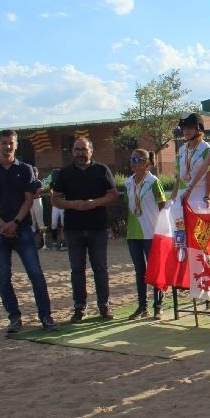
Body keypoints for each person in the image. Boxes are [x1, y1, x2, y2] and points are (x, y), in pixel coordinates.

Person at [0, 130, 57, 333]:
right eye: (4, 143)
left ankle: (45, 316)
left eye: (11, 143)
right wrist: (2, 225)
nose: (7, 146)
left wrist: (14, 222)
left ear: (16, 145)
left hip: (21, 228)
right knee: (3, 276)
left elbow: (28, 199)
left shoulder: (26, 169)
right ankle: (14, 317)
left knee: (35, 273)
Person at [52, 136, 119, 323]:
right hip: (73, 229)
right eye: (77, 149)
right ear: (72, 152)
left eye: (83, 149)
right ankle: (79, 307)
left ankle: (103, 305)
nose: (80, 153)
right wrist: (73, 204)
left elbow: (113, 196)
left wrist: (94, 203)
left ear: (91, 150)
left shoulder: (102, 170)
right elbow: (55, 199)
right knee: (77, 270)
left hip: (97, 227)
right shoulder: (64, 173)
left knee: (100, 268)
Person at [124, 149, 167, 320]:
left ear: (146, 163)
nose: (133, 163)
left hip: (151, 231)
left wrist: (161, 230)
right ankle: (142, 306)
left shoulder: (153, 182)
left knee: (155, 270)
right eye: (131, 159)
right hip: (133, 233)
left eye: (137, 159)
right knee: (139, 271)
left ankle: (158, 306)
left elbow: (162, 205)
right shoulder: (128, 182)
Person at [170, 112, 210, 212]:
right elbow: (178, 177)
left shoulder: (206, 149)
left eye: (190, 128)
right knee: (182, 227)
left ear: (198, 129)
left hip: (200, 195)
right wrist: (172, 197)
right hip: (182, 194)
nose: (186, 131)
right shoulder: (182, 150)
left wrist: (207, 196)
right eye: (184, 128)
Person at [43, 169, 65, 251]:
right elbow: (51, 193)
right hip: (55, 206)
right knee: (54, 224)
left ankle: (63, 242)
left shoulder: (64, 183)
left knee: (63, 224)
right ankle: (55, 242)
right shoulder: (52, 184)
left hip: (63, 204)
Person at [28, 165, 46, 247]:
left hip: (37, 202)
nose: (34, 174)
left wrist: (32, 195)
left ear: (37, 173)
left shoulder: (38, 182)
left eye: (35, 172)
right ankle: (34, 242)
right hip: (30, 202)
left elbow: (37, 193)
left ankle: (43, 242)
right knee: (32, 222)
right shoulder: (29, 182)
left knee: (40, 222)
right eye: (33, 172)